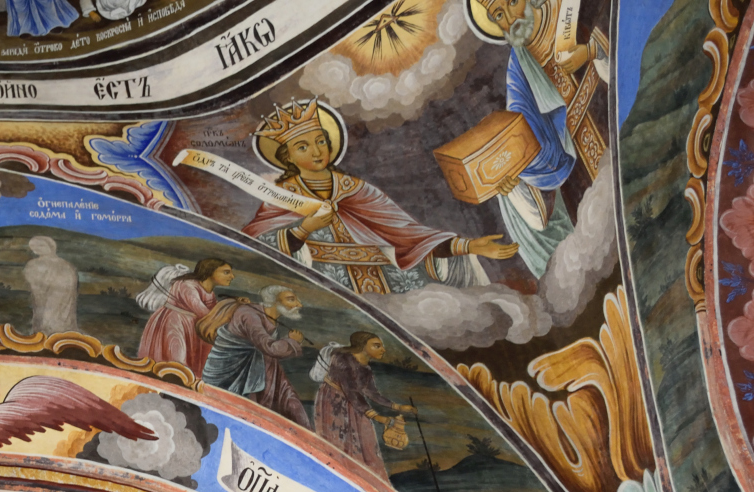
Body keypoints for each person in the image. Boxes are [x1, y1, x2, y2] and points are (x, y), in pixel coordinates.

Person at [243, 99, 515, 295]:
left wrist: (469, 246)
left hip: (390, 286)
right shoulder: (282, 197)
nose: (317, 151)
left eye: (321, 141)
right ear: (288, 157)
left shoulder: (356, 190)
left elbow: (409, 237)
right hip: (327, 289)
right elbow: (255, 248)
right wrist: (304, 229)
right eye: (303, 147)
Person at [474, 0, 608, 275]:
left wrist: (591, 51)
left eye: (512, 2)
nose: (510, 17)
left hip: (610, 118)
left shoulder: (568, 11)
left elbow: (618, 27)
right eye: (498, 13)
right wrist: (514, 174)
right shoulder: (519, 66)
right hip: (577, 172)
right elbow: (523, 132)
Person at [197, 286, 310, 428]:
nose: (299, 304)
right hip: (228, 377)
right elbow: (269, 347)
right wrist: (292, 341)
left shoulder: (268, 318)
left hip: (252, 371)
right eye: (291, 299)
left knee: (289, 403)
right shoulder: (249, 315)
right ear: (273, 301)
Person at [313, 333, 414, 481]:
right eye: (377, 346)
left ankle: (364, 477)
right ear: (362, 346)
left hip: (353, 403)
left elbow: (371, 392)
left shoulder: (365, 367)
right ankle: (338, 474)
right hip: (334, 401)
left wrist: (397, 406)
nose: (383, 349)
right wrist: (377, 416)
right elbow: (351, 391)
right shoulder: (342, 360)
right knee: (339, 439)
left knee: (364, 438)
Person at [135, 258, 231, 375]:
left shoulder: (209, 292)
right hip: (174, 323)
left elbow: (213, 311)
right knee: (175, 360)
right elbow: (204, 312)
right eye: (226, 272)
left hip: (190, 326)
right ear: (210, 271)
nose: (232, 276)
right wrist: (230, 313)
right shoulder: (187, 285)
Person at [24, 235, 79, 335]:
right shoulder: (32, 264)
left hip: (59, 297)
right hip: (41, 297)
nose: (37, 249)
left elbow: (68, 284)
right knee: (41, 320)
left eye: (41, 245)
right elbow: (33, 282)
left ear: (52, 246)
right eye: (33, 247)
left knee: (54, 319)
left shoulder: (65, 265)